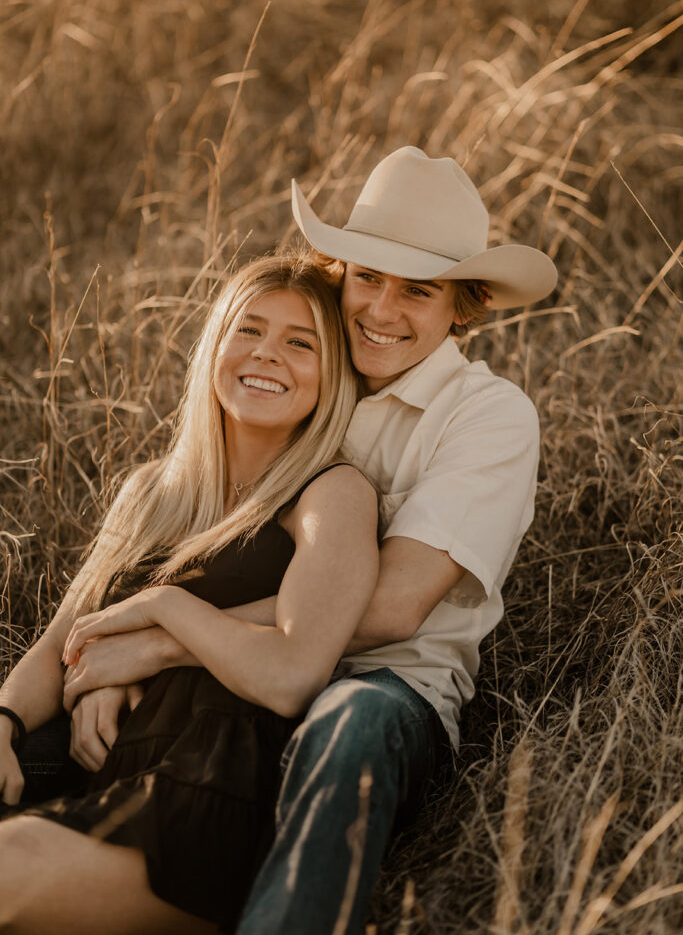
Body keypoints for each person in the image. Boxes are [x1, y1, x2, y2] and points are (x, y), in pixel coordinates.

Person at [22, 147, 559, 934]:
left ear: (463, 306)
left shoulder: (486, 414)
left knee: (349, 722)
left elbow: (399, 602)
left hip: (380, 682)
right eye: (367, 278)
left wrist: (160, 636)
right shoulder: (306, 383)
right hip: (226, 691)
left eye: (418, 290)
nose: (381, 309)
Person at [0, 254, 381, 933]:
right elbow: (61, 643)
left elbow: (293, 674)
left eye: (300, 343)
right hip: (92, 776)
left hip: (202, 799)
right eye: (249, 330)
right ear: (215, 346)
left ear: (332, 377)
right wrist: (2, 724)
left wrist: (161, 608)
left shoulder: (330, 494)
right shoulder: (150, 490)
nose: (267, 354)